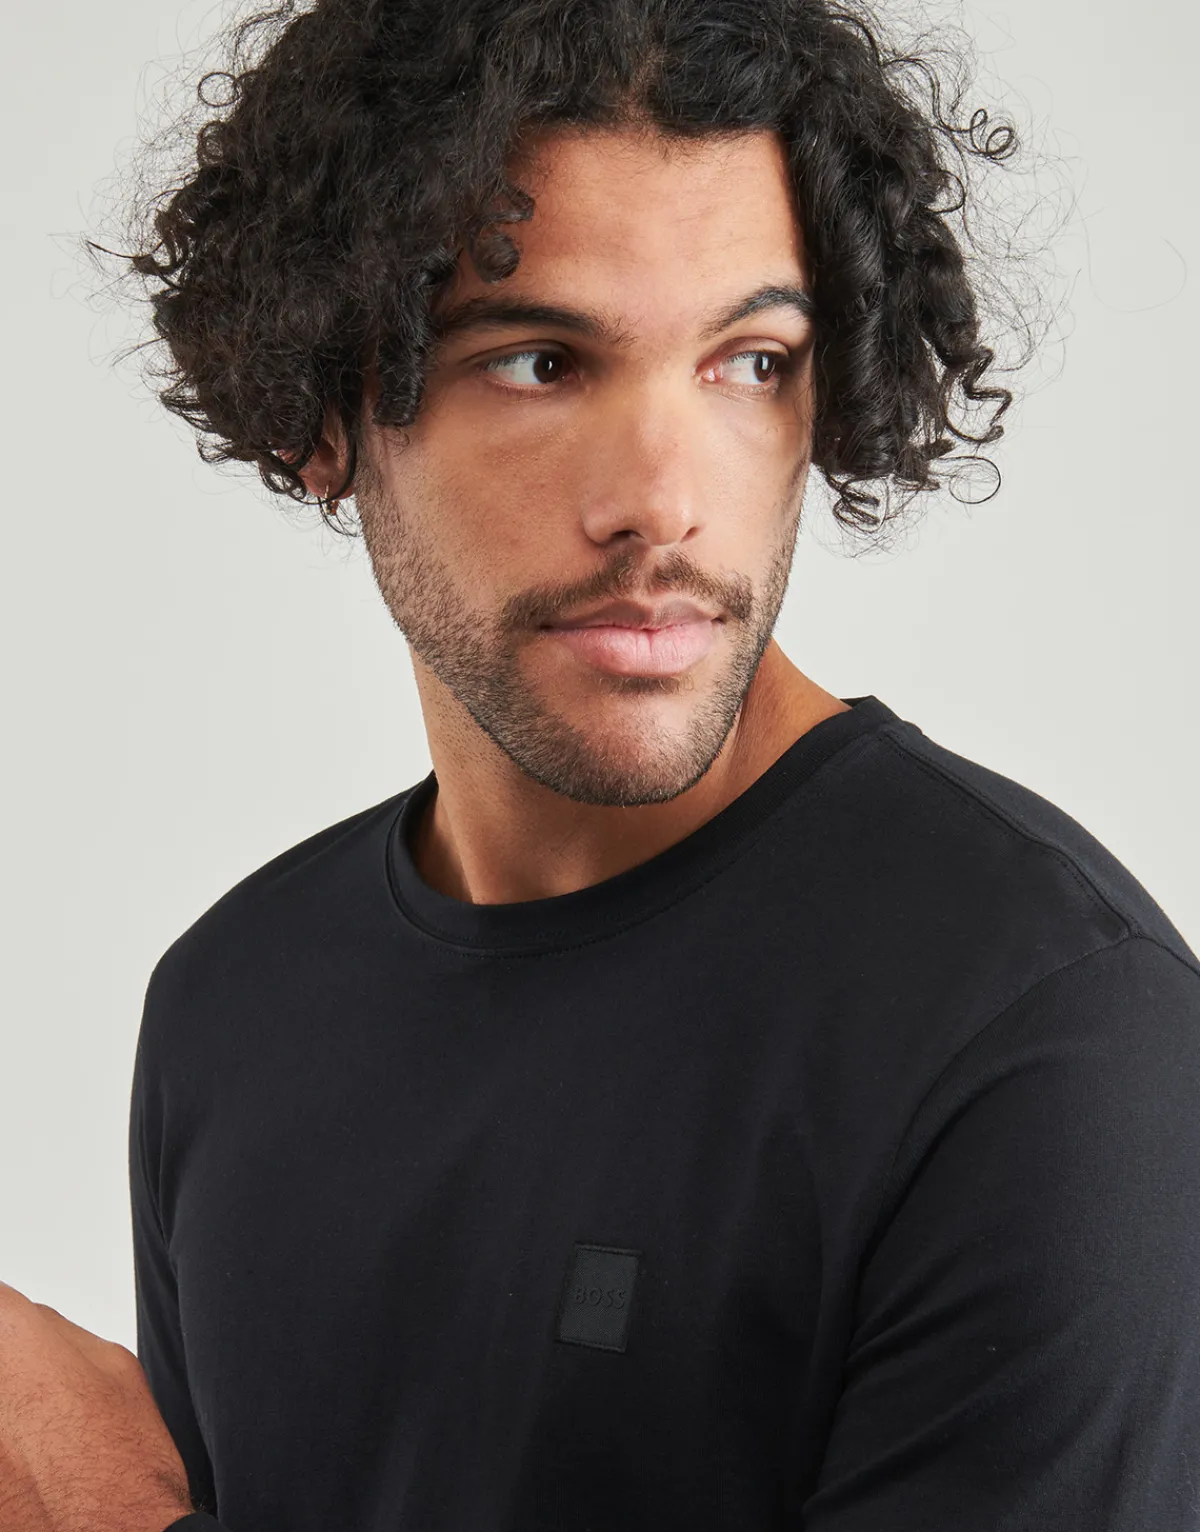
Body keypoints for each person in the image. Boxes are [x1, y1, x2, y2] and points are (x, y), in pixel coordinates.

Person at [3, 0, 1199, 1529]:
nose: (663, 501)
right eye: (542, 360)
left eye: (750, 362)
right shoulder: (231, 1004)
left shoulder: (1046, 1034)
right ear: (319, 412)